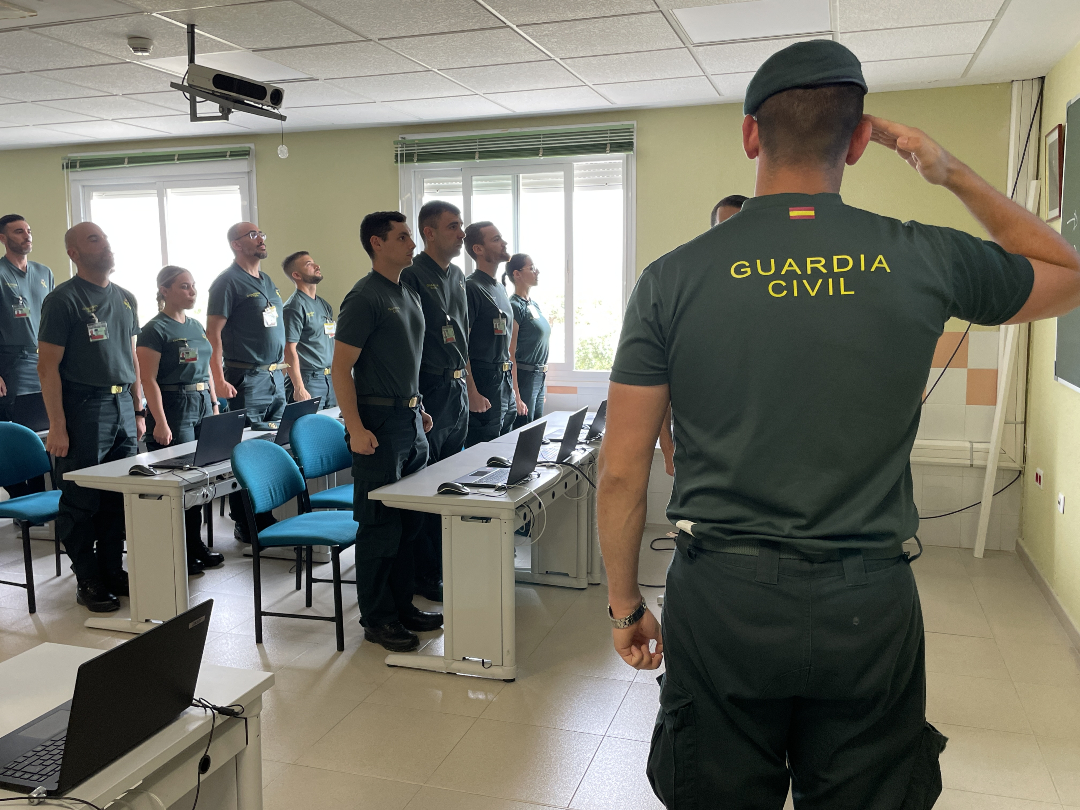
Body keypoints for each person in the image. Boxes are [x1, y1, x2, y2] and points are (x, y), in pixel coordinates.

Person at [598, 39, 1080, 810]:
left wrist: (625, 607)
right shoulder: (921, 256)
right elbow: (1068, 275)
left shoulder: (671, 279)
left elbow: (621, 468)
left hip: (724, 599)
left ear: (751, 135)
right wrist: (950, 172)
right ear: (858, 144)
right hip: (868, 602)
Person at [332, 211, 441, 653]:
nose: (411, 245)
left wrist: (421, 408)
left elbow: (404, 362)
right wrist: (354, 427)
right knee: (379, 526)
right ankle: (377, 618)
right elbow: (340, 369)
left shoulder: (406, 291)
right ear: (377, 243)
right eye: (402, 237)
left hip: (410, 421)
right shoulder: (365, 297)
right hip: (378, 426)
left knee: (409, 522)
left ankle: (402, 607)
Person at [38, 222, 146, 613]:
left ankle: (112, 569)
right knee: (81, 500)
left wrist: (138, 408)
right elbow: (47, 367)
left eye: (106, 238)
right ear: (74, 253)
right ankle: (87, 578)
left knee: (117, 497)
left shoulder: (126, 298)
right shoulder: (63, 300)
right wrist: (58, 424)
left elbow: (130, 356)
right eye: (93, 239)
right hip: (83, 408)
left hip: (121, 406)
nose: (105, 245)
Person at [400, 200, 469, 603]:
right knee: (428, 485)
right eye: (452, 226)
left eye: (461, 226)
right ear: (429, 232)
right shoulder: (412, 275)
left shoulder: (457, 276)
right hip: (430, 388)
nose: (461, 232)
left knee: (451, 479)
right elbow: (408, 344)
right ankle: (426, 573)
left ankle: (442, 563)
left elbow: (463, 336)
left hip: (458, 388)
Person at [137, 265, 224, 576]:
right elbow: (148, 379)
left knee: (201, 477)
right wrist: (159, 421)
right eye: (184, 286)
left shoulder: (196, 325)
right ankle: (180, 549)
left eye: (193, 286)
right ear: (165, 290)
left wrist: (214, 405)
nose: (192, 292)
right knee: (182, 479)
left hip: (202, 402)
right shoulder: (155, 329)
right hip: (175, 405)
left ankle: (194, 543)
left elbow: (207, 370)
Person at [206, 223, 286, 542]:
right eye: (253, 235)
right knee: (247, 448)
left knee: (271, 444)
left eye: (262, 233)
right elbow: (213, 334)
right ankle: (246, 519)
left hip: (273, 375)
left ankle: (264, 512)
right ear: (236, 245)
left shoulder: (266, 280)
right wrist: (219, 379)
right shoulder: (227, 282)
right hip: (244, 377)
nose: (261, 238)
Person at [660, 195, 748, 475]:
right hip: (698, 462)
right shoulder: (683, 296)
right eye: (723, 229)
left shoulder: (776, 298)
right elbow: (658, 383)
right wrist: (668, 450)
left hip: (758, 460)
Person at [0, 213, 54, 498]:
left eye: (28, 230)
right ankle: (23, 501)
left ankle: (41, 508)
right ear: (3, 238)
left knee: (45, 433)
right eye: (18, 231)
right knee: (21, 435)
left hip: (43, 362)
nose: (26, 235)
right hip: (12, 364)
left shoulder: (44, 273)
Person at [463, 221, 515, 446]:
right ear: (478, 249)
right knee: (484, 456)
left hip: (504, 380)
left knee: (505, 450)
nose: (503, 243)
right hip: (484, 381)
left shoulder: (500, 288)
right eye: (496, 239)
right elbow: (460, 346)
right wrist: (471, 391)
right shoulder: (471, 288)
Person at [282, 251, 336, 408]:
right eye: (309, 264)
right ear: (296, 275)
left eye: (314, 262)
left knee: (330, 428)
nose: (316, 266)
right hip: (308, 380)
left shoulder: (323, 305)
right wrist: (299, 388)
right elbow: (288, 349)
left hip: (329, 379)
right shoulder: (294, 307)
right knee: (309, 428)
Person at [506, 254, 550, 428]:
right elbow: (510, 354)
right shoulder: (514, 306)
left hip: (539, 377)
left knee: (537, 429)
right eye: (531, 268)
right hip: (524, 377)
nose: (536, 271)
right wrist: (516, 395)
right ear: (517, 274)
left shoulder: (533, 305)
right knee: (525, 429)